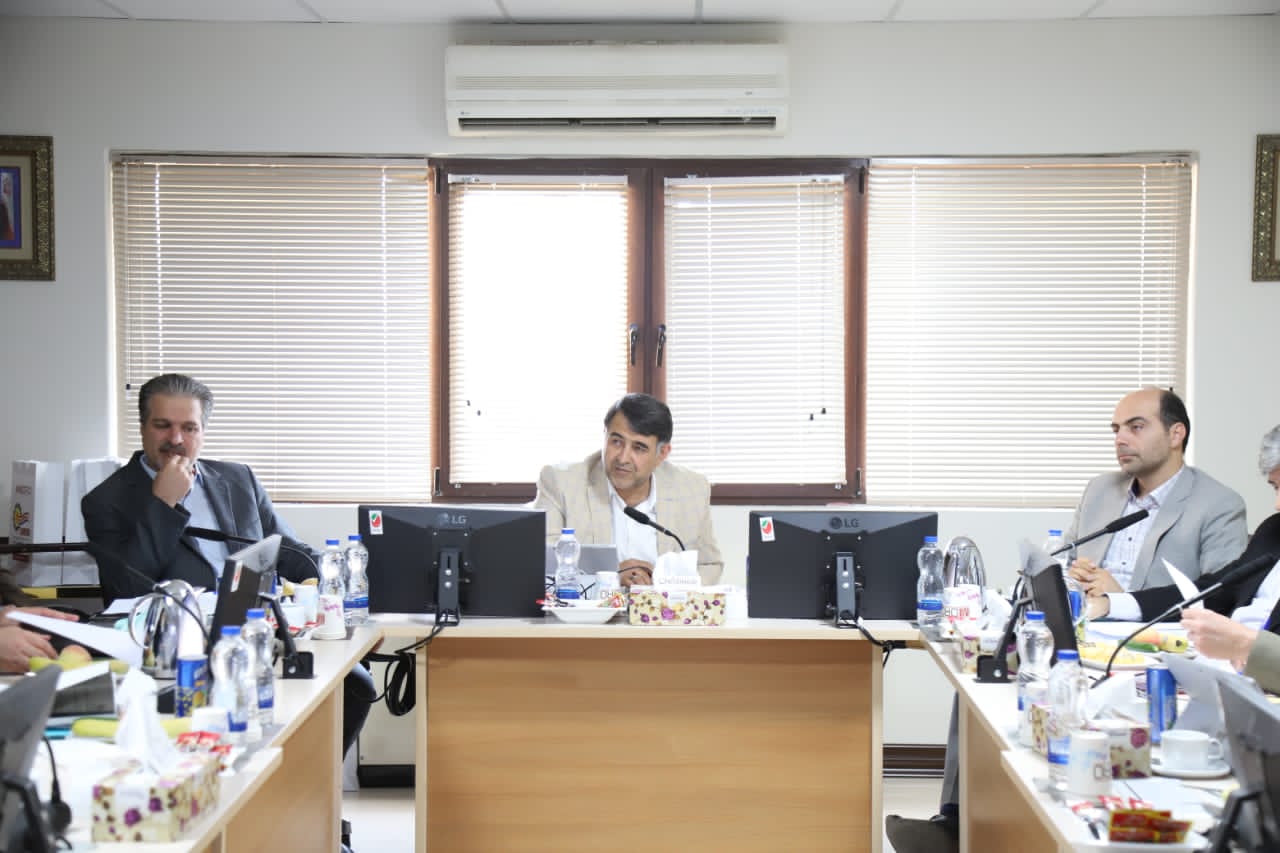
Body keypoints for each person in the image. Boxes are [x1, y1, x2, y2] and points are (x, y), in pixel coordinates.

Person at [886, 387, 1249, 853]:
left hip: (1147, 653)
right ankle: (957, 822)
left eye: (1136, 427)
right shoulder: (1101, 490)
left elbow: (1221, 595)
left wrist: (1120, 599)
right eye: (1115, 429)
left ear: (1176, 434)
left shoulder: (1218, 503)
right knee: (984, 674)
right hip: (1081, 635)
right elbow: (1065, 555)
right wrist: (1071, 577)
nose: (1121, 439)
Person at [81, 373, 375, 850]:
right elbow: (127, 588)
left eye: (189, 428)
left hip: (257, 631)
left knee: (356, 685)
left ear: (203, 431)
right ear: (142, 427)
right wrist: (163, 503)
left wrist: (338, 572)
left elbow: (286, 550)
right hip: (182, 654)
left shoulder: (237, 479)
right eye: (162, 425)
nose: (176, 439)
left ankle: (312, 811)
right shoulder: (106, 501)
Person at [1099, 425, 1280, 693]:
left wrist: (1247, 644)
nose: (1277, 504)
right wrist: (1110, 604)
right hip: (1218, 674)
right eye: (1275, 487)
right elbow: (1215, 591)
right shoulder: (1274, 531)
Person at [534, 393, 723, 586]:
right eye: (616, 441)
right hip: (592, 605)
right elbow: (541, 563)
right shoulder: (562, 483)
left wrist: (663, 584)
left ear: (662, 453)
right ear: (605, 435)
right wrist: (612, 576)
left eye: (639, 448)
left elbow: (709, 565)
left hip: (662, 604)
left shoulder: (691, 489)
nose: (623, 458)